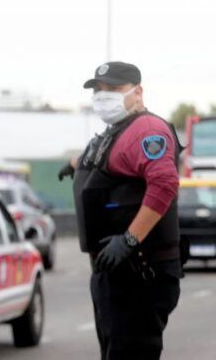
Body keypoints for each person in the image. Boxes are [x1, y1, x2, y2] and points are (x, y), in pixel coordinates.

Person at [58, 61, 182, 360]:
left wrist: (129, 239)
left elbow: (164, 185)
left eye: (113, 89)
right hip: (114, 271)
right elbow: (110, 160)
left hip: (139, 270)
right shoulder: (118, 130)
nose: (103, 96)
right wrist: (76, 164)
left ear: (137, 92)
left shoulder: (148, 130)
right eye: (99, 90)